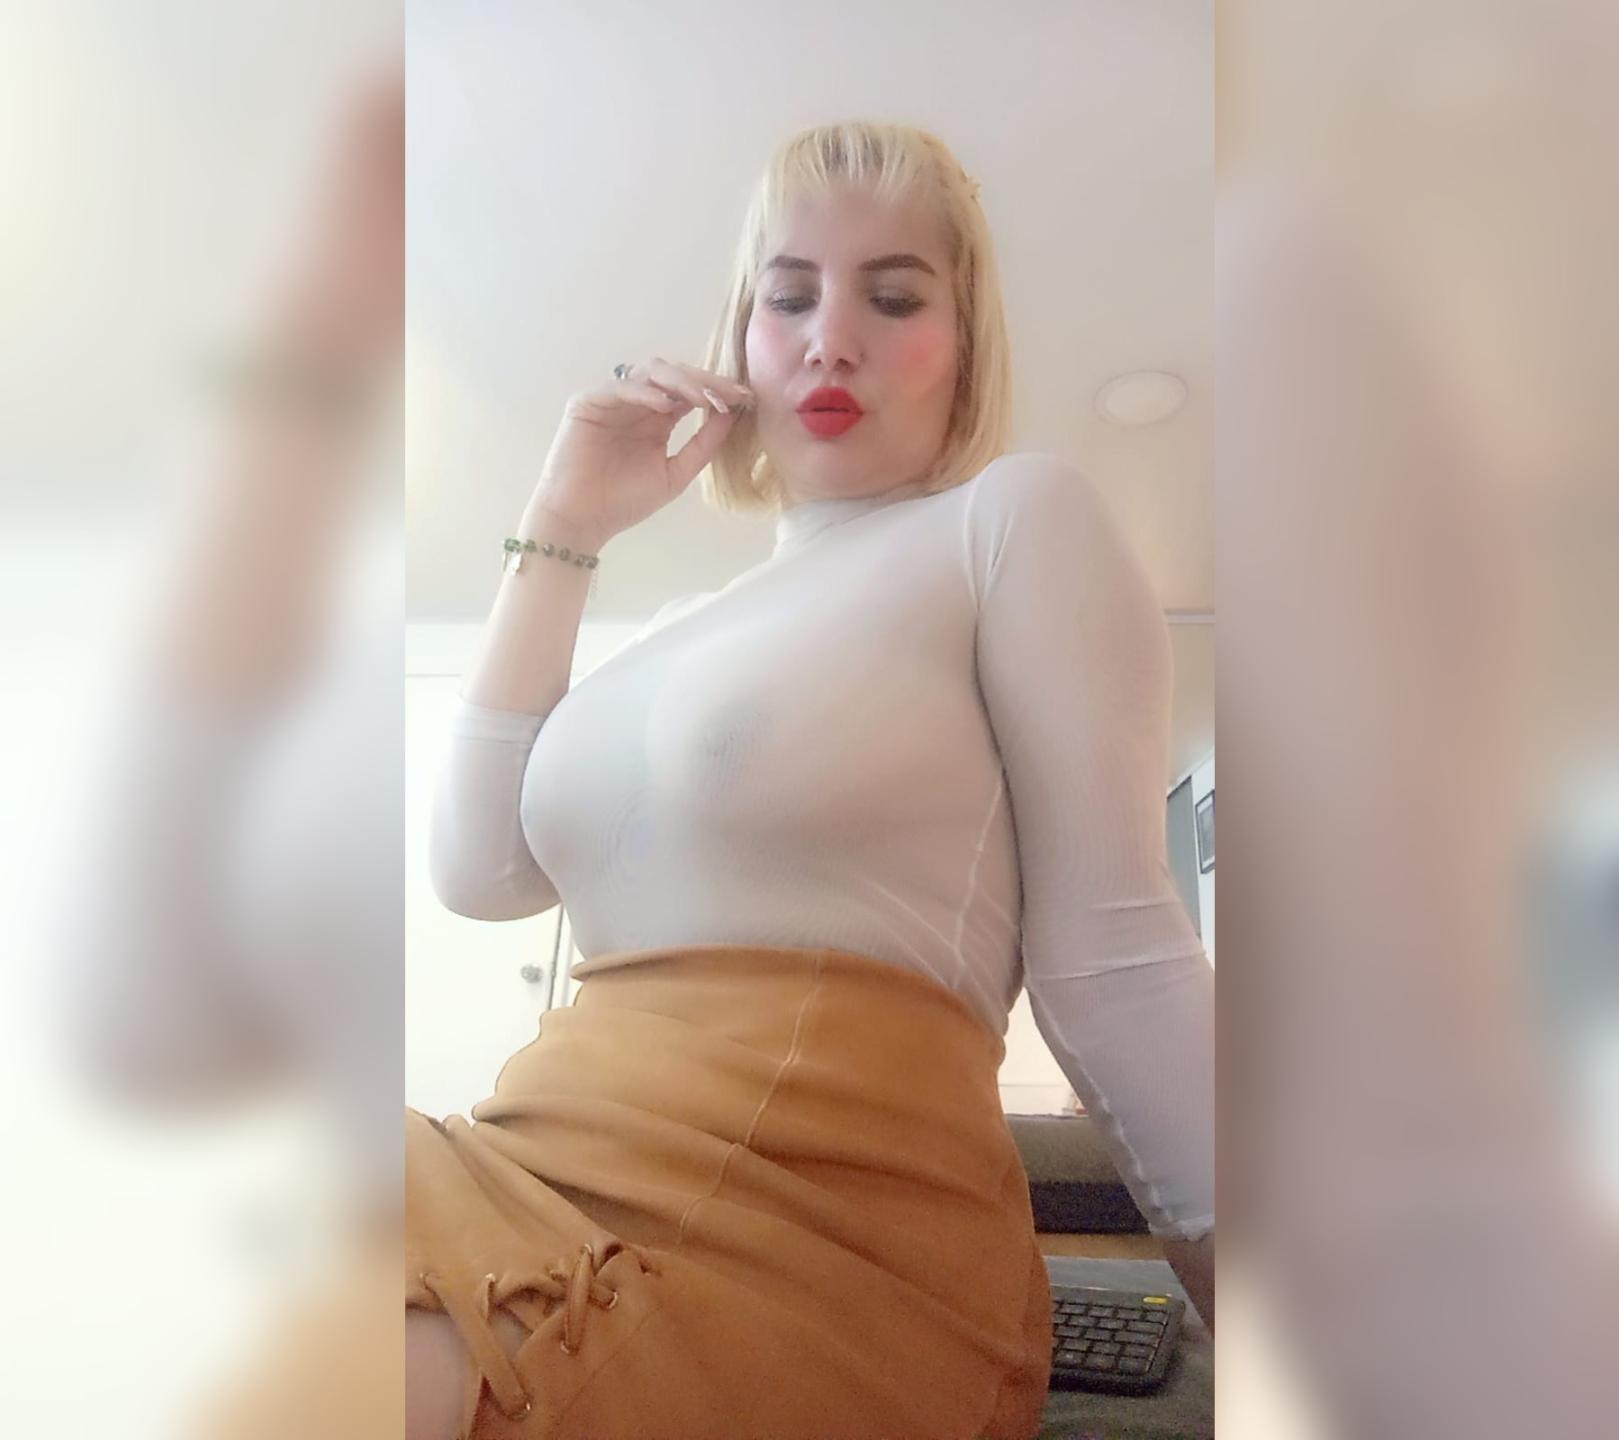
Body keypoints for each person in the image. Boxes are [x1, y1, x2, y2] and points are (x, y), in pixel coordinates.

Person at [408, 119, 1214, 1440]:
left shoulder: (1005, 523)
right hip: (531, 1159)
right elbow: (479, 869)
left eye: (894, 297)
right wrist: (562, 522)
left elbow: (1119, 967)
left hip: (819, 1241)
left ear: (967, 345)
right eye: (788, 297)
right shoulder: (669, 640)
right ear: (740, 336)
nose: (830, 339)